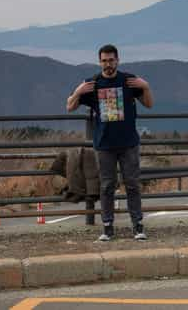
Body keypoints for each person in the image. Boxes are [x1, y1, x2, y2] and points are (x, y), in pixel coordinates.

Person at [66, 44, 153, 242]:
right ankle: (107, 227)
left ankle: (138, 225)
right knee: (106, 186)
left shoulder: (129, 81)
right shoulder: (92, 83)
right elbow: (69, 107)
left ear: (118, 60)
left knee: (132, 184)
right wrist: (78, 91)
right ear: (100, 62)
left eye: (111, 60)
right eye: (104, 61)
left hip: (129, 143)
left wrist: (145, 86)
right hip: (104, 145)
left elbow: (149, 104)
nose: (108, 64)